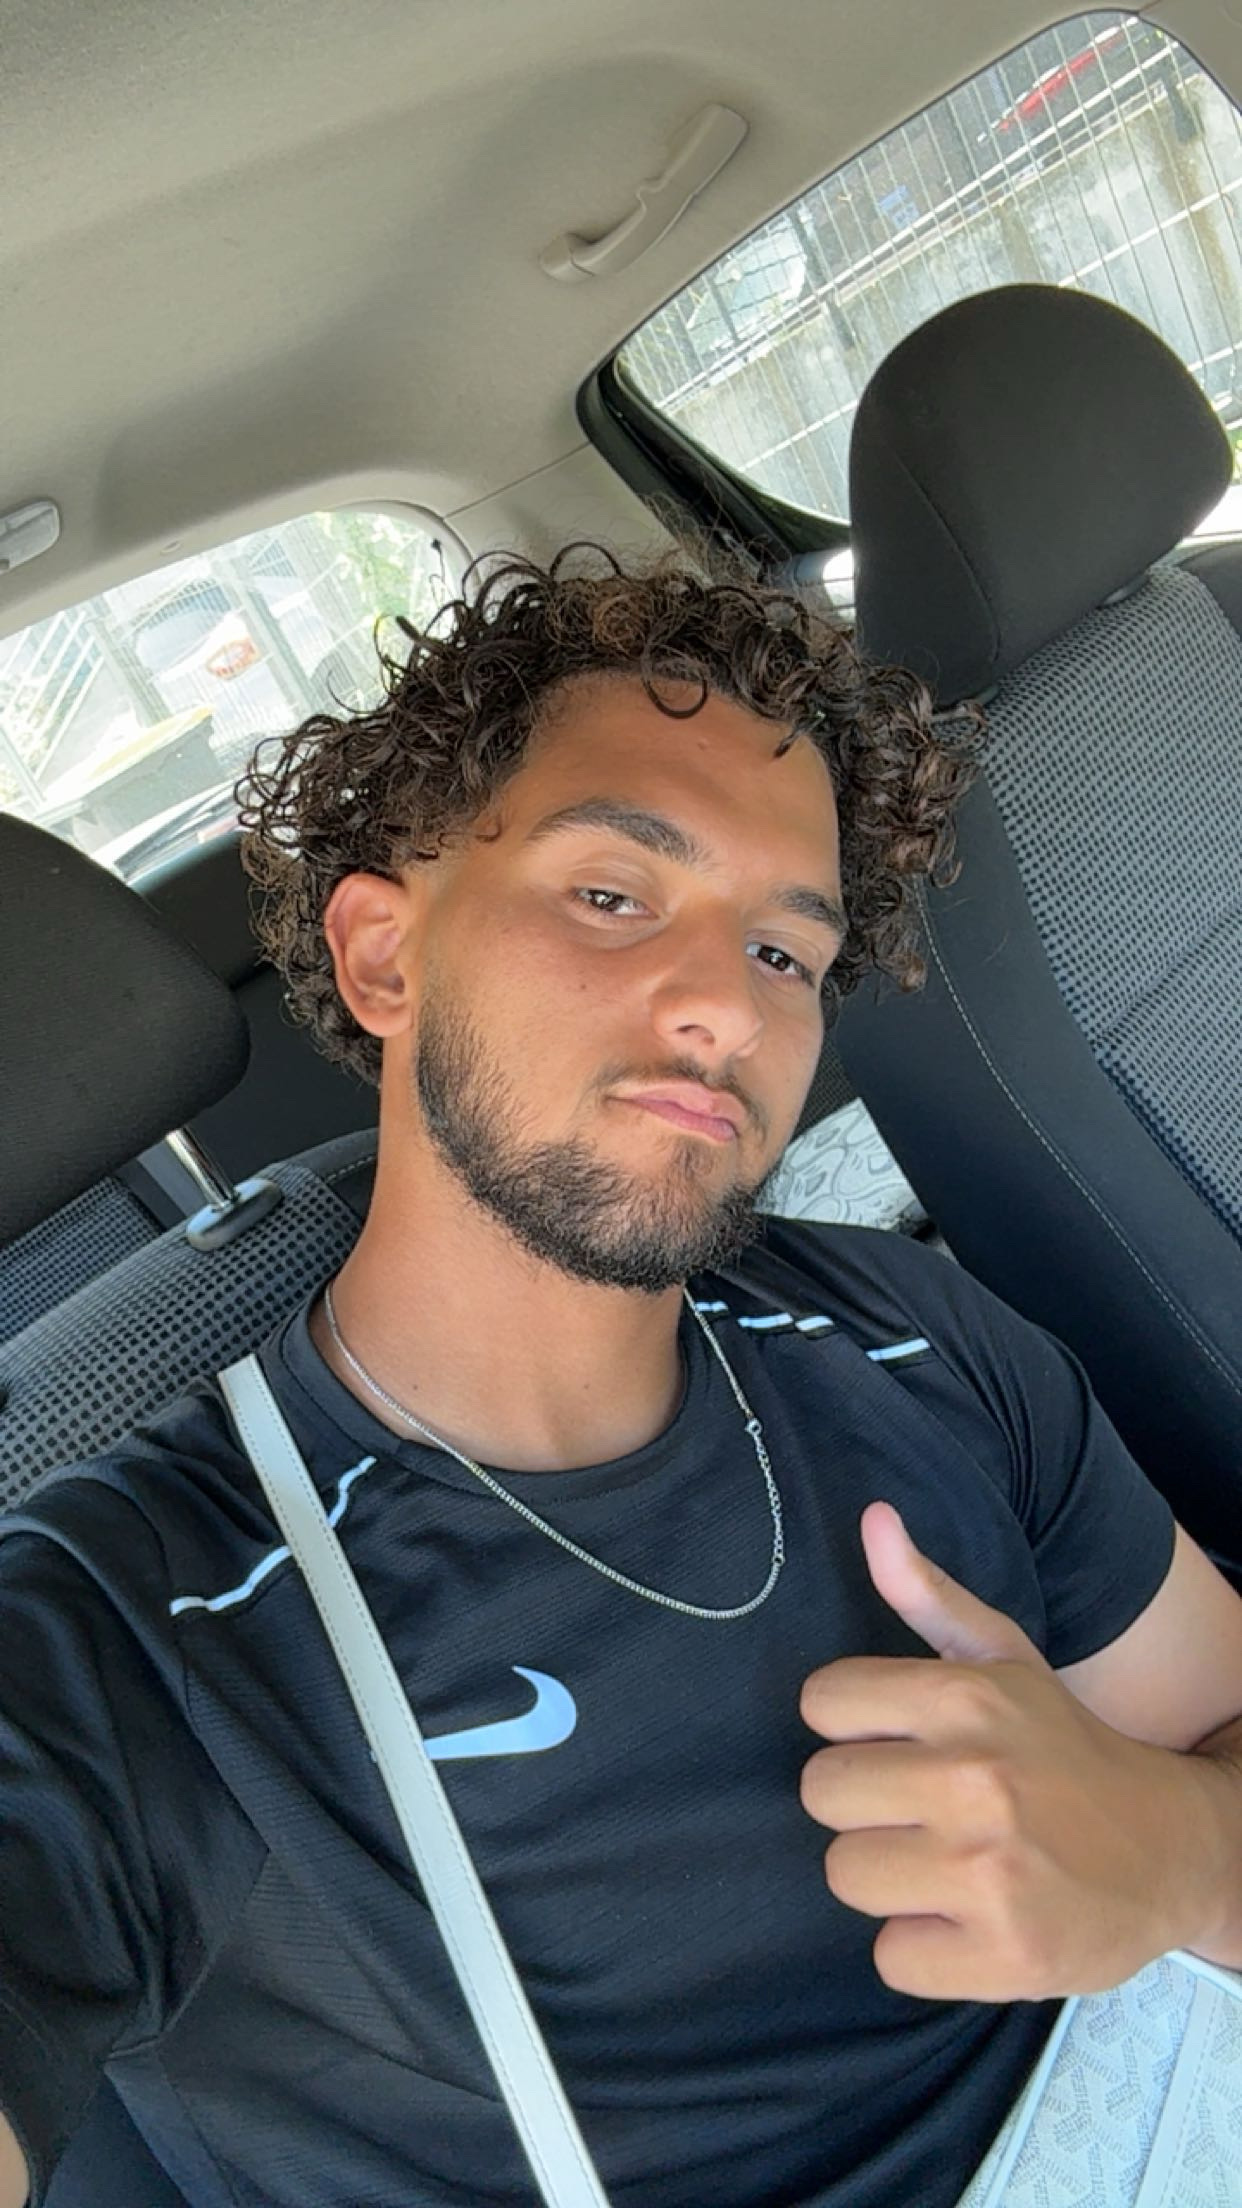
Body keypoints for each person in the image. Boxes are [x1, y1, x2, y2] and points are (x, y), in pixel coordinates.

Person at [1, 547, 1241, 2208]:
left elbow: (1215, 1724)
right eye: (610, 894)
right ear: (383, 959)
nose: (723, 1006)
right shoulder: (127, 1626)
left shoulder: (910, 1333)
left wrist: (1172, 1848)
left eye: (786, 953)